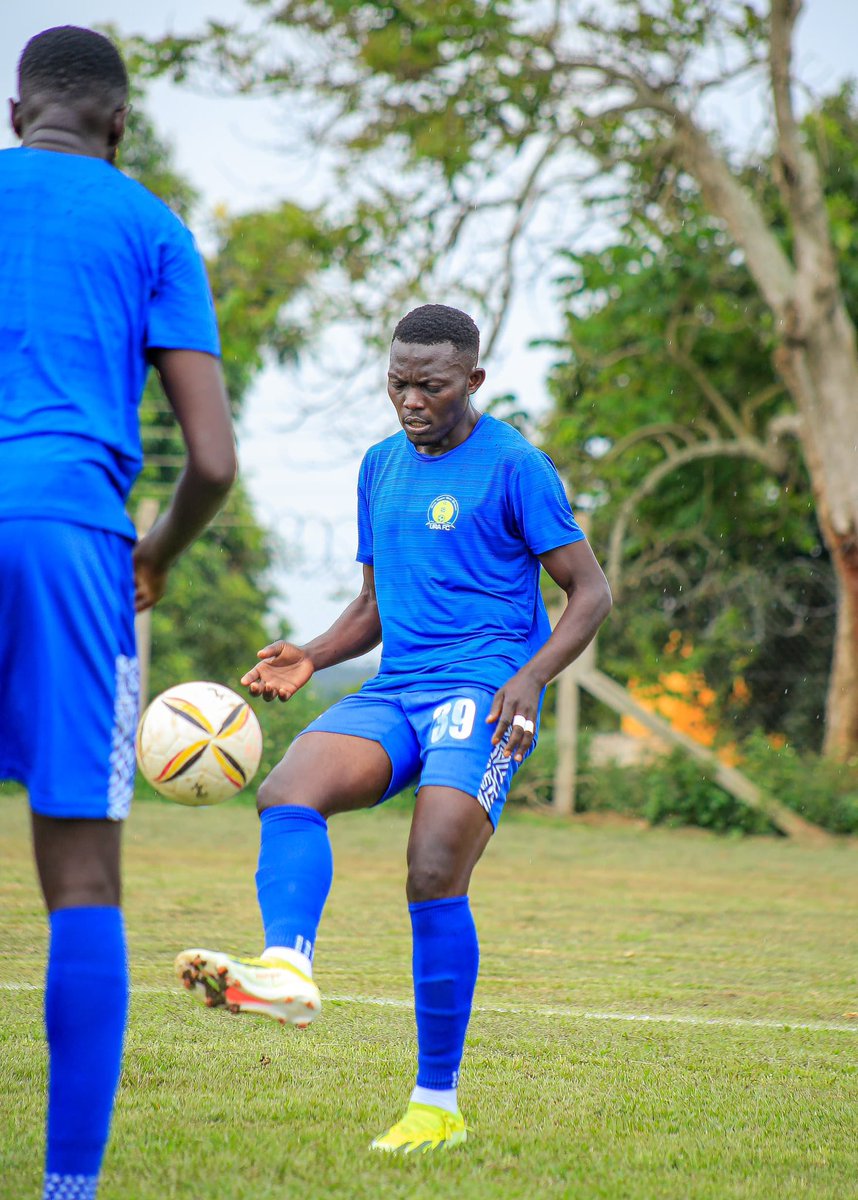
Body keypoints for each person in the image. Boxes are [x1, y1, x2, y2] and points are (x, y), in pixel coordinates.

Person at [176, 303, 611, 1152]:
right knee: (289, 790)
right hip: (397, 685)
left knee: (433, 865)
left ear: (473, 382)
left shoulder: (516, 465)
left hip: (484, 690)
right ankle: (288, 968)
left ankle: (435, 1106)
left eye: (431, 385)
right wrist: (312, 652)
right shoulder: (380, 466)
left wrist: (529, 677)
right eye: (398, 382)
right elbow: (375, 605)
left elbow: (588, 591)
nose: (411, 400)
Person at [0, 26, 236, 1200]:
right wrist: (153, 557)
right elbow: (213, 462)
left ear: (13, 113)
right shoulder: (152, 227)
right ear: (119, 126)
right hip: (71, 543)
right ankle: (67, 1190)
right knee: (81, 883)